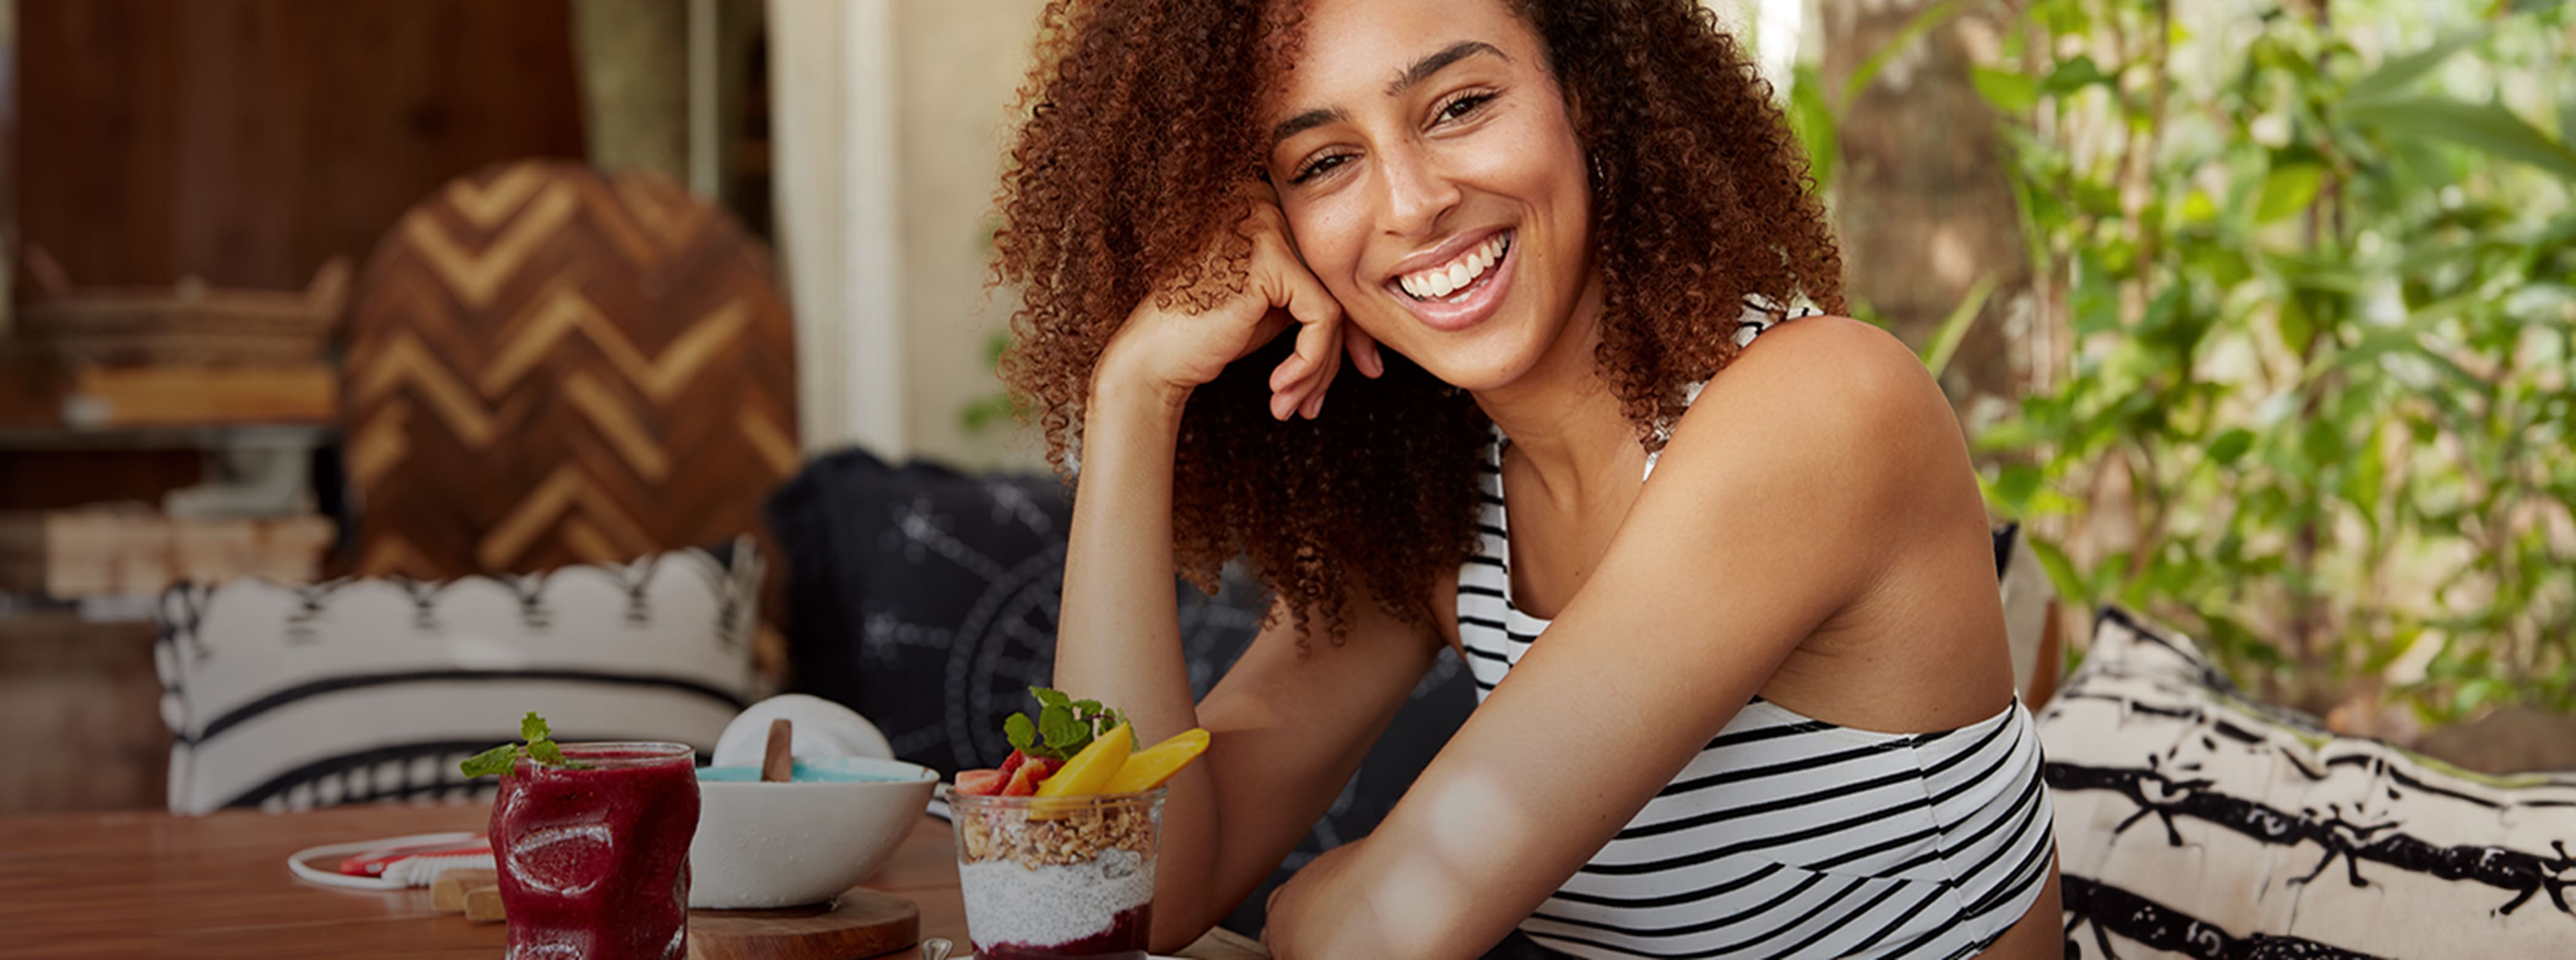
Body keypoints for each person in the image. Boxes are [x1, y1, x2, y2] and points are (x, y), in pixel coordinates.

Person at [989, 0, 2061, 956]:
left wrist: (1314, 904)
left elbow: (1374, 934)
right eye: (1324, 162)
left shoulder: (1822, 407)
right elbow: (1123, 893)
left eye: (1458, 105)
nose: (1410, 203)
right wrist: (1132, 394)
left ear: (1586, 92)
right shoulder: (1446, 494)